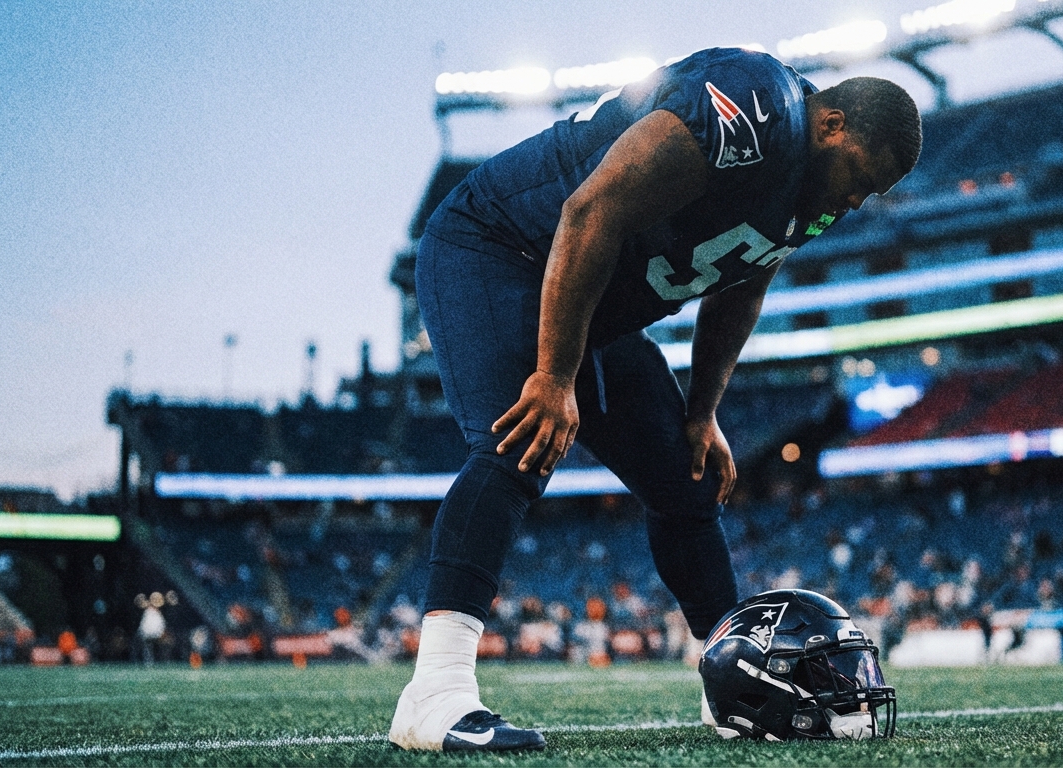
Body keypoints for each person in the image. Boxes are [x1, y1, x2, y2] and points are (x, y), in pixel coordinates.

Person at [388, 46, 922, 752]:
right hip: (500, 249)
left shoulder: (808, 202)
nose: (857, 201)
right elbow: (592, 208)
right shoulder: (754, 108)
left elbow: (744, 284)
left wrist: (702, 413)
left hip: (598, 298)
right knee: (518, 443)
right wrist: (553, 375)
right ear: (831, 124)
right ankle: (435, 694)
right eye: (861, 177)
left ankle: (733, 685)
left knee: (686, 476)